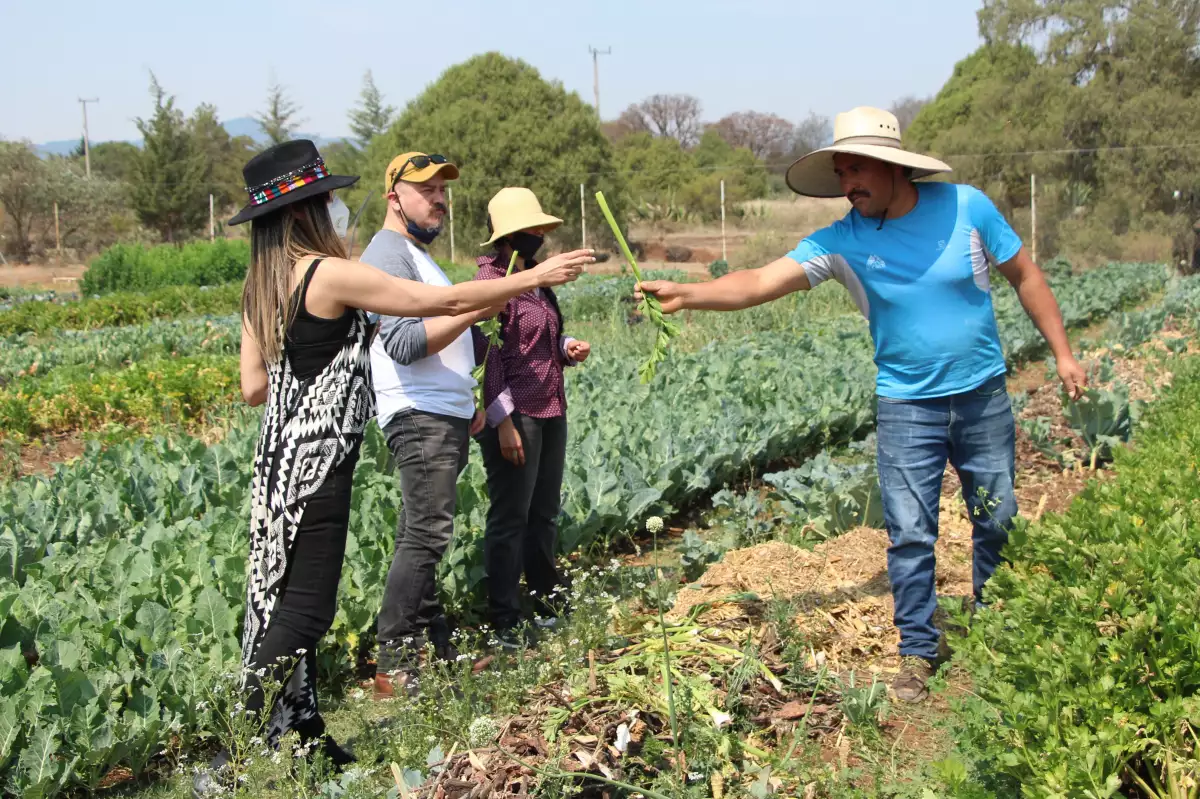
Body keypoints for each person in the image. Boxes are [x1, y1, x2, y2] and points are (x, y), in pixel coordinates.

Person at [638, 107, 1087, 704]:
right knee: (908, 533)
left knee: (997, 518)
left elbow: (1025, 275)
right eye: (841, 171)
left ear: (893, 167)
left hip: (981, 394)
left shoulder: (967, 208)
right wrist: (689, 294)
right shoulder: (840, 240)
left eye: (857, 169)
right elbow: (757, 282)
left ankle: (998, 626)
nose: (848, 183)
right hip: (906, 405)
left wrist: (1062, 354)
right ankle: (919, 653)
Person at [192, 140, 592, 796]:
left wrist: (309, 367)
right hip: (318, 463)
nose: (334, 208)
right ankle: (241, 747)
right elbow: (427, 306)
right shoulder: (326, 272)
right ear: (303, 213)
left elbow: (252, 387)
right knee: (304, 611)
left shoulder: (260, 284)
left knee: (276, 598)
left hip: (278, 459)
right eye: (324, 199)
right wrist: (529, 279)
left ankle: (300, 727)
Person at [360, 154, 531, 698]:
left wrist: (465, 396)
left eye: (442, 191)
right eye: (426, 190)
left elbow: (438, 337)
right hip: (418, 413)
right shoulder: (388, 253)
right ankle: (395, 663)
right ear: (394, 197)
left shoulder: (415, 255)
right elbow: (405, 345)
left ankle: (434, 652)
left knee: (424, 531)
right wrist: (475, 311)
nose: (439, 199)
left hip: (442, 410)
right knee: (426, 534)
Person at [471, 187, 592, 648]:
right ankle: (503, 618)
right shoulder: (490, 281)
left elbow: (537, 342)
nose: (542, 235)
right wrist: (502, 421)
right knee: (510, 516)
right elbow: (488, 354)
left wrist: (566, 349)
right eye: (534, 229)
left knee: (543, 514)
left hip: (551, 406)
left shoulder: (533, 278)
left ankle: (546, 600)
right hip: (516, 414)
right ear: (510, 234)